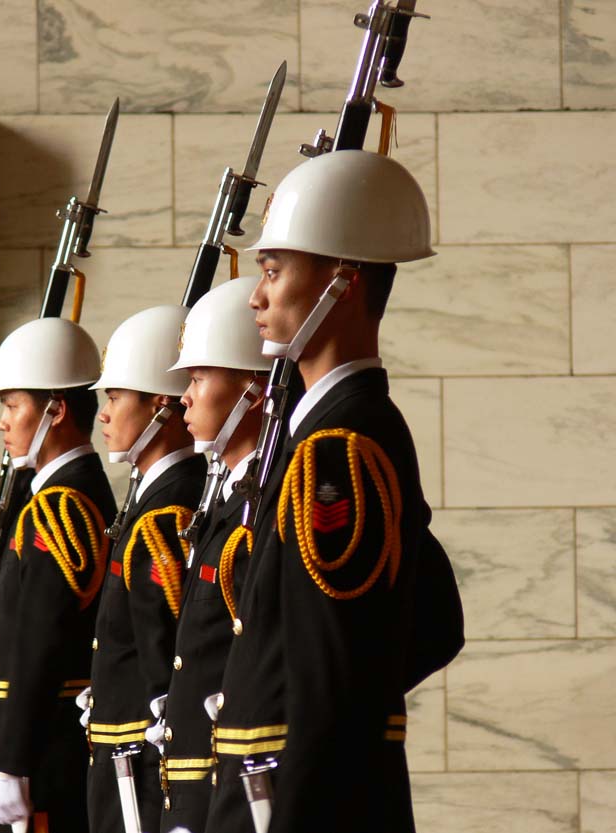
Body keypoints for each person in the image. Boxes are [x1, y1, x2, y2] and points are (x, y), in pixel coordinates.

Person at [205, 149, 454, 833]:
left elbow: (330, 680)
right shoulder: (333, 435)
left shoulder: (335, 449)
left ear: (341, 283)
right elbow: (432, 618)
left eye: (274, 271)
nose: (256, 296)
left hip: (298, 808)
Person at [154, 276, 299, 833]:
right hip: (202, 782)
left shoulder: (272, 498)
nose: (184, 397)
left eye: (197, 377)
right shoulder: (229, 503)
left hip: (243, 783)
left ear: (252, 392)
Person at [0, 316, 117, 833]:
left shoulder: (63, 506)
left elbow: (45, 639)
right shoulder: (51, 498)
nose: (3, 422)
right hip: (35, 749)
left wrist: (12, 759)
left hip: (40, 757)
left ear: (56, 409)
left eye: (12, 405)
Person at [82, 305, 206, 833]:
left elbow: (170, 658)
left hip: (144, 766)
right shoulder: (147, 502)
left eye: (115, 397)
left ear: (161, 406)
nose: (104, 415)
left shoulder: (167, 511)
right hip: (121, 756)